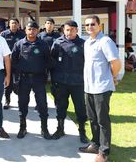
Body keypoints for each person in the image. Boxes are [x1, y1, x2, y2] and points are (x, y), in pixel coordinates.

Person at [79, 15, 121, 162]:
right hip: (89, 87)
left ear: (99, 25)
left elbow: (116, 62)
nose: (89, 27)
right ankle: (95, 144)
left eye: (92, 24)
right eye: (87, 25)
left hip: (102, 87)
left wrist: (113, 77)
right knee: (92, 118)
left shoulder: (105, 41)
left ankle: (104, 152)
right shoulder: (87, 42)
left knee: (102, 120)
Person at [11, 21, 53, 140]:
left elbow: (48, 61)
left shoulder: (43, 44)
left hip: (39, 79)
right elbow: (13, 61)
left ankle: (44, 129)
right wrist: (17, 75)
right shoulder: (19, 44)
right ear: (25, 30)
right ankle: (22, 127)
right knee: (22, 104)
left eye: (34, 29)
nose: (32, 31)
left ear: (38, 30)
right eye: (29, 29)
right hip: (23, 79)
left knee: (42, 104)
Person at [50, 20, 88, 143]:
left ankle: (82, 131)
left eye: (72, 29)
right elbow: (52, 62)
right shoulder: (57, 43)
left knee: (80, 109)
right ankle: (60, 129)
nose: (69, 32)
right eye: (67, 29)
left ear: (77, 30)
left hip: (78, 83)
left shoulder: (83, 44)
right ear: (63, 30)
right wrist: (53, 80)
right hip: (61, 83)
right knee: (60, 107)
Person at [0, 17, 25, 109]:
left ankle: (21, 101)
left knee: (20, 82)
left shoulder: (22, 35)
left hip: (19, 62)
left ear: (18, 25)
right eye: (12, 23)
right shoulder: (3, 34)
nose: (13, 25)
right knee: (7, 82)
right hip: (6, 62)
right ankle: (7, 101)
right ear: (9, 25)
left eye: (15, 23)